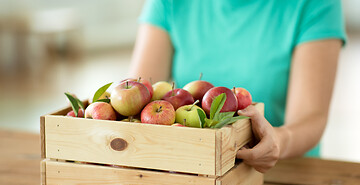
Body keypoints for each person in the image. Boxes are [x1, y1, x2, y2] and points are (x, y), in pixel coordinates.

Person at [128, 0, 346, 173]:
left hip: (285, 175)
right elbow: (138, 97)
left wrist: (278, 141)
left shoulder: (315, 3)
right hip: (193, 171)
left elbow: (311, 117)